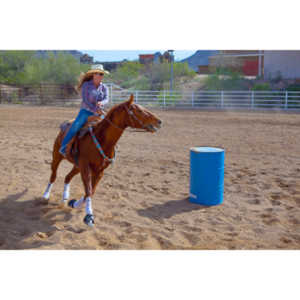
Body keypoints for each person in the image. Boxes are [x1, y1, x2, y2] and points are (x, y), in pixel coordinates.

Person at [59, 64, 110, 157]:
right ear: (93, 74)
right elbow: (85, 100)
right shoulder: (86, 85)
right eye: (97, 73)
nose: (100, 76)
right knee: (76, 126)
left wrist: (102, 103)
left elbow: (107, 98)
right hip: (86, 111)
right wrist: (95, 109)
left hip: (100, 111)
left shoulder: (104, 87)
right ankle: (63, 147)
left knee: (109, 125)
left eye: (101, 74)